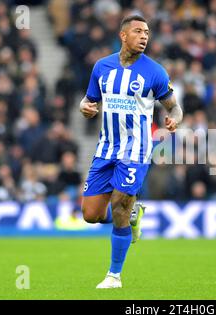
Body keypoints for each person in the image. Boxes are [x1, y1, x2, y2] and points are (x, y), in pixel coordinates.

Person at [79, 15, 183, 289]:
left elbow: (174, 106)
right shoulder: (102, 67)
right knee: (91, 215)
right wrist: (85, 107)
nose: (144, 36)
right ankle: (132, 215)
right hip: (106, 148)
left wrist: (175, 118)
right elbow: (88, 101)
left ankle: (114, 275)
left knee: (121, 204)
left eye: (147, 32)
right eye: (138, 31)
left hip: (136, 149)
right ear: (123, 35)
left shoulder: (155, 72)